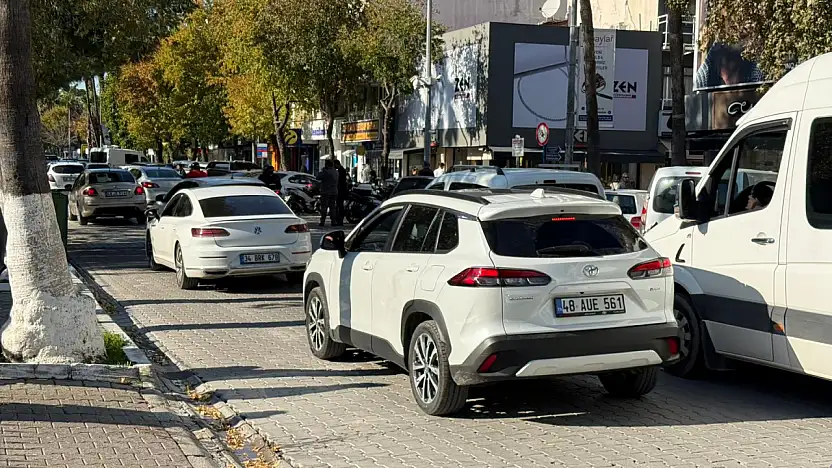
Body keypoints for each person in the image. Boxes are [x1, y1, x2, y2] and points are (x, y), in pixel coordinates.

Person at [317, 159, 339, 227]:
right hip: (334, 191)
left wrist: (323, 170)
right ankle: (333, 221)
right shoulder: (336, 172)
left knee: (324, 207)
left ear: (327, 165)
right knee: (332, 207)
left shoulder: (326, 172)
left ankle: (322, 221)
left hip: (326, 191)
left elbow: (318, 177)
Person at [334, 160, 348, 226]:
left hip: (340, 191)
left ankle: (340, 220)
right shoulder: (341, 170)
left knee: (339, 205)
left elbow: (340, 181)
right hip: (341, 190)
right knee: (340, 205)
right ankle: (339, 219)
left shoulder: (340, 171)